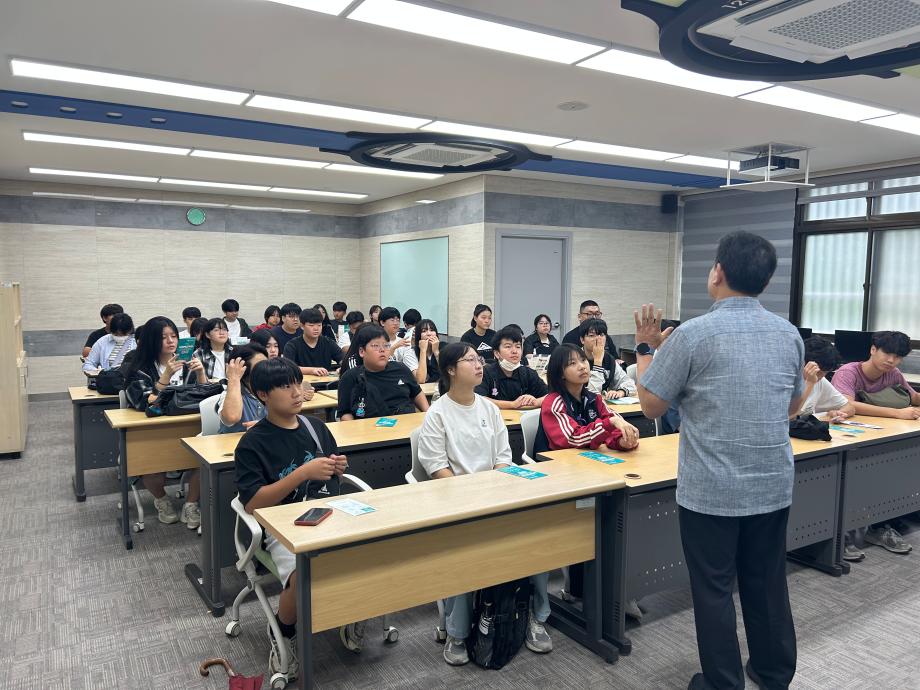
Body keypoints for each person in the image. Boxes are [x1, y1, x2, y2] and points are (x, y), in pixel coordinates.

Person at [634, 231, 805, 690]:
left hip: (712, 490)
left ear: (717, 273)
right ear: (765, 281)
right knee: (767, 582)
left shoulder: (692, 335)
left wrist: (645, 350)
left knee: (713, 590)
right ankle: (772, 674)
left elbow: (650, 406)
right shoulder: (788, 334)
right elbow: (792, 406)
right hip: (771, 485)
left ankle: (723, 683)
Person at [417, 342, 553, 666]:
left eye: (479, 360)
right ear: (451, 370)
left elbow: (503, 458)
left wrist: (497, 491)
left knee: (538, 539)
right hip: (457, 501)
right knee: (464, 551)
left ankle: (536, 617)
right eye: (470, 360)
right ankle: (457, 632)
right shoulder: (437, 414)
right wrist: (472, 496)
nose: (479, 365)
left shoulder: (489, 409)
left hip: (495, 496)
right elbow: (437, 467)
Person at [234, 357, 362, 682]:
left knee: (367, 554)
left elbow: (330, 474)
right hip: (282, 525)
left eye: (297, 384)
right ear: (263, 395)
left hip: (325, 511)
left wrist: (337, 467)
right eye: (285, 386)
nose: (296, 392)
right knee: (303, 573)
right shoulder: (252, 443)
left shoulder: (315, 427)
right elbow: (253, 503)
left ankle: (349, 611)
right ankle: (283, 629)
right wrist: (302, 473)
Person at [532, 343, 639, 612]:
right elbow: (573, 438)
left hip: (588, 471)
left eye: (583, 360)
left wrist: (624, 439)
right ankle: (584, 589)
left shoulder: (593, 398)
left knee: (617, 513)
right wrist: (610, 425)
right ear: (560, 373)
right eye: (572, 363)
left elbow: (612, 428)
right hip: (555, 478)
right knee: (593, 519)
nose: (582, 366)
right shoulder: (554, 402)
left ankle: (614, 588)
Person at [832, 330, 920, 559]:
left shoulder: (894, 374)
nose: (891, 360)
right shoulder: (848, 372)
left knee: (893, 471)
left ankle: (880, 525)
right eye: (887, 353)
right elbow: (848, 404)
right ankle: (843, 532)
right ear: (873, 350)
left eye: (898, 357)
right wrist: (897, 413)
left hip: (880, 438)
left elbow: (912, 397)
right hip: (848, 442)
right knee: (854, 479)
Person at [120, 316, 205, 527]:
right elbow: (143, 403)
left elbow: (203, 395)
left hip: (187, 425)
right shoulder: (138, 367)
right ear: (151, 340)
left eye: (174, 336)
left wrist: (201, 373)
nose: (170, 341)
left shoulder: (186, 363)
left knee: (205, 460)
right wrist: (166, 375)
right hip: (152, 431)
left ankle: (191, 503)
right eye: (163, 337)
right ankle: (162, 499)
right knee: (152, 464)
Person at [336, 325, 429, 421]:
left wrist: (428, 415)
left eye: (386, 345)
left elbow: (417, 393)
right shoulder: (350, 377)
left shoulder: (401, 369)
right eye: (375, 346)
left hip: (406, 425)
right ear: (362, 351)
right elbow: (345, 413)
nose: (382, 350)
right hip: (368, 428)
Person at [475, 325, 548, 409]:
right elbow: (479, 399)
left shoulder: (528, 373)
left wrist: (536, 402)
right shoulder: (486, 372)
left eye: (518, 346)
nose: (514, 351)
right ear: (497, 353)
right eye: (508, 346)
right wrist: (512, 405)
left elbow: (550, 396)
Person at [580, 319, 637, 400]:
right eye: (592, 335)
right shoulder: (577, 360)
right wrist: (598, 361)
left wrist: (620, 392)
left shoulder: (608, 359)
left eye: (601, 335)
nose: (598, 339)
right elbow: (591, 395)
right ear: (582, 340)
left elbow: (630, 384)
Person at [218, 343, 269, 433]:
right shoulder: (229, 394)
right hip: (235, 441)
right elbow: (232, 417)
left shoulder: (273, 389)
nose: (267, 369)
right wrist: (234, 378)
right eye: (260, 366)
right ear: (244, 371)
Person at [282, 308, 343, 376]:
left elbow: (343, 359)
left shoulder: (328, 342)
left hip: (326, 380)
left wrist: (343, 367)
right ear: (302, 326)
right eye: (311, 325)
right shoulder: (292, 345)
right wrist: (312, 370)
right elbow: (288, 367)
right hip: (302, 381)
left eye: (319, 325)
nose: (316, 329)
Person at [403, 318, 440, 384]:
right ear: (418, 335)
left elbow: (450, 373)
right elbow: (420, 380)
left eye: (432, 330)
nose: (429, 334)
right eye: (424, 331)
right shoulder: (410, 354)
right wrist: (423, 350)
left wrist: (436, 352)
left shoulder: (444, 347)